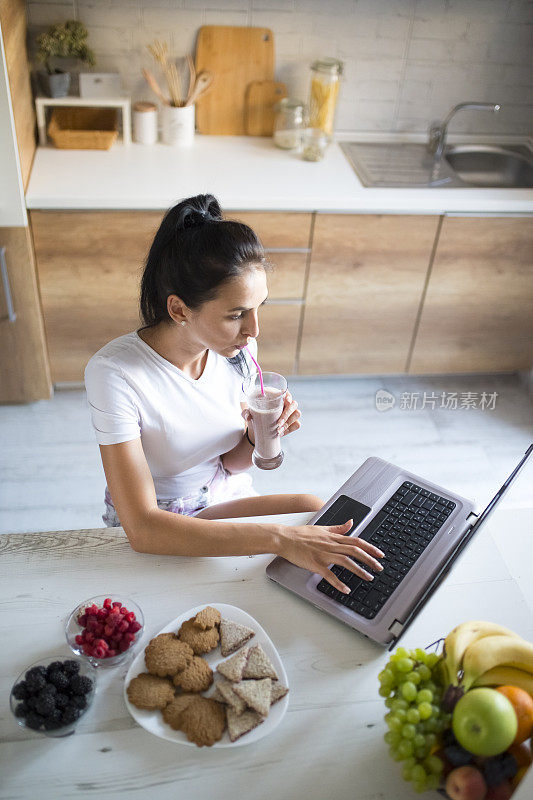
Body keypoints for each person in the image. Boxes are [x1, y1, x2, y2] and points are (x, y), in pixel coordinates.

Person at [84, 194, 384, 593]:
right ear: (178, 310)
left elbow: (234, 464)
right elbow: (141, 528)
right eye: (236, 314)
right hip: (166, 516)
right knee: (296, 534)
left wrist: (256, 437)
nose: (254, 329)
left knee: (315, 511)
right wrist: (279, 538)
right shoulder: (116, 373)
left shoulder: (237, 352)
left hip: (224, 492)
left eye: (259, 307)